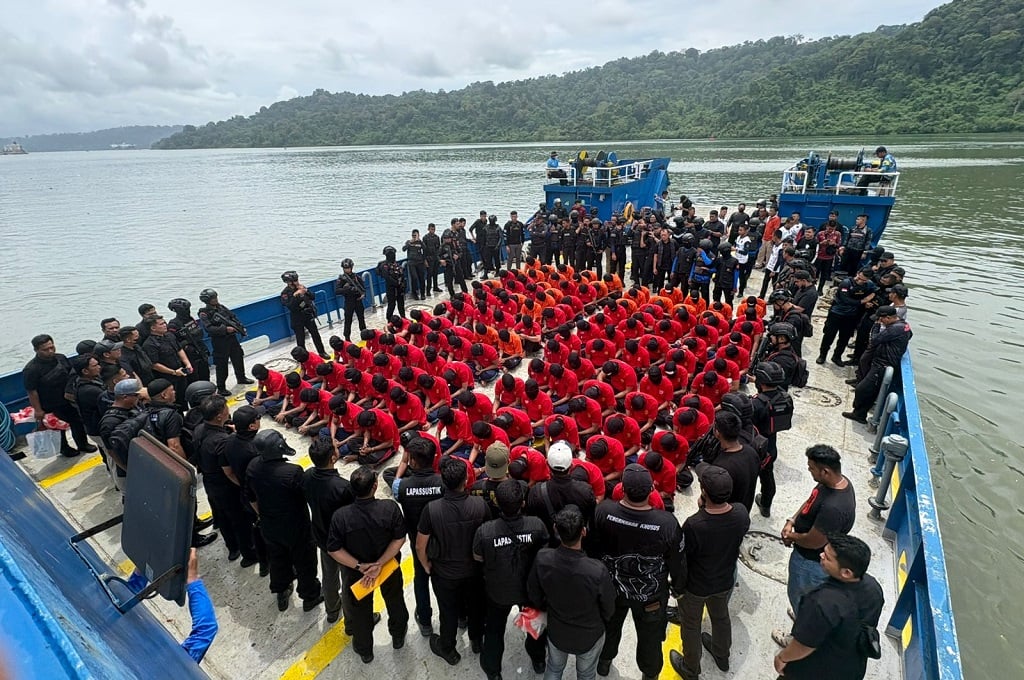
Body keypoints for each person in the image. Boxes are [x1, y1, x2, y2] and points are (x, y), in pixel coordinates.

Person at [594, 464, 685, 680]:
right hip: (650, 596)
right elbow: (678, 562)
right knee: (651, 638)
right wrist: (679, 588)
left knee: (610, 627)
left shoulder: (604, 511)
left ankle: (604, 662)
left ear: (622, 489)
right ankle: (650, 674)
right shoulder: (666, 524)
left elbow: (593, 548)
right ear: (652, 490)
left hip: (611, 589)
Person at [669, 465, 750, 680]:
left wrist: (677, 588)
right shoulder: (741, 513)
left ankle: (690, 668)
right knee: (721, 616)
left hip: (696, 586)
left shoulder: (695, 525)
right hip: (724, 580)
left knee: (691, 625)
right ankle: (722, 654)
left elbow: (684, 559)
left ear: (703, 492)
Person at [327, 465, 410, 663]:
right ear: (375, 486)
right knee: (395, 600)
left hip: (358, 575)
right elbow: (399, 539)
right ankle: (398, 636)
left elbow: (333, 549)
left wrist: (360, 566)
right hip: (388, 567)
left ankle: (365, 650)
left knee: (361, 611)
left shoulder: (341, 517)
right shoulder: (389, 508)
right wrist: (379, 564)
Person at [773, 535, 884, 680]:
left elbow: (805, 645)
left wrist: (783, 657)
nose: (821, 555)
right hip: (851, 664)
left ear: (846, 572)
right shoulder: (873, 587)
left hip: (815, 670)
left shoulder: (821, 602)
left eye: (827, 557)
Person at [527, 505, 617, 680]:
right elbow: (609, 607)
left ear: (555, 530)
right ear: (584, 531)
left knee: (553, 668)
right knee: (586, 673)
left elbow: (534, 594)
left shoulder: (543, 558)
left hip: (557, 631)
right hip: (588, 636)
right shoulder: (597, 570)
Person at [416, 456, 490, 666]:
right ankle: (477, 640)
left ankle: (448, 648)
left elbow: (421, 544)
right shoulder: (479, 505)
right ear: (466, 479)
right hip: (474, 571)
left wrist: (425, 564)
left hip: (444, 573)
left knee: (447, 611)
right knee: (476, 606)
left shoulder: (431, 509)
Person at [473, 480, 550, 679]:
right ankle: (538, 660)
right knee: (535, 626)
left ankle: (493, 671)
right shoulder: (537, 525)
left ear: (496, 502)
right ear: (522, 503)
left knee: (494, 630)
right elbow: (545, 553)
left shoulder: (485, 531)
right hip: (529, 590)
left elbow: (478, 557)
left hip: (498, 590)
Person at [778, 444, 856, 639]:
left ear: (825, 471)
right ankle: (800, 614)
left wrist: (790, 536)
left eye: (811, 467)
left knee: (802, 595)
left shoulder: (834, 508)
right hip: (807, 553)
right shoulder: (833, 483)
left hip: (810, 561)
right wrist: (792, 520)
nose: (808, 469)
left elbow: (814, 541)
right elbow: (810, 501)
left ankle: (799, 634)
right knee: (802, 598)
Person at [245, 429, 324, 613]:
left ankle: (281, 590)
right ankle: (310, 595)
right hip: (296, 526)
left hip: (269, 523)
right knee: (305, 561)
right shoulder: (292, 472)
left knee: (278, 558)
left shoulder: (253, 467)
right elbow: (305, 496)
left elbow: (251, 497)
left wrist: (262, 516)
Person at [194, 394, 260, 564]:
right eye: (225, 408)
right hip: (226, 485)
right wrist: (244, 487)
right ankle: (249, 554)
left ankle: (232, 547)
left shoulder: (199, 429)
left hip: (209, 482)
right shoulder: (222, 441)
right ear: (219, 415)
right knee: (240, 520)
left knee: (222, 516)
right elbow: (229, 471)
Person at [392, 436, 445, 637]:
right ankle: (459, 617)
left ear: (412, 461)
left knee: (421, 579)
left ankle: (425, 621)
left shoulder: (401, 487)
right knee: (445, 580)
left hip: (417, 541)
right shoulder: (443, 484)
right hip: (442, 540)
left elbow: (398, 495)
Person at [301, 436, 354, 624]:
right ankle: (352, 617)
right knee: (349, 581)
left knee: (329, 576)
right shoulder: (342, 487)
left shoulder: (306, 476)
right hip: (343, 542)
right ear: (333, 457)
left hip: (322, 535)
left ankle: (332, 610)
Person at [842, 305, 913, 424]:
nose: (880, 321)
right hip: (883, 362)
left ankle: (859, 413)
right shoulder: (904, 325)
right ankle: (860, 413)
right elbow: (910, 335)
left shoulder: (893, 329)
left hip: (883, 365)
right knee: (871, 391)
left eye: (881, 319)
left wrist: (876, 326)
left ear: (889, 318)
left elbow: (874, 340)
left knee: (862, 389)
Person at [750, 361, 794, 518]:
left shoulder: (757, 403)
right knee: (767, 477)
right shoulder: (785, 398)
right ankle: (766, 505)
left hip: (755, 446)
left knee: (748, 481)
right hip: (771, 446)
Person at [815, 269, 876, 367]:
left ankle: (837, 356)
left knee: (844, 338)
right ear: (857, 273)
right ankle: (822, 355)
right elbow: (845, 299)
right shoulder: (846, 283)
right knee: (829, 335)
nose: (860, 281)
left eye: (863, 280)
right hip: (837, 313)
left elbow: (874, 291)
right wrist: (863, 301)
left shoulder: (869, 285)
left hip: (851, 316)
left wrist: (871, 298)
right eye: (859, 278)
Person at [197, 288, 253, 396]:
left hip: (232, 338)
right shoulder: (204, 313)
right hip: (219, 341)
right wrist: (224, 329)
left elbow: (233, 317)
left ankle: (241, 377)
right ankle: (221, 387)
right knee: (221, 364)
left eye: (216, 297)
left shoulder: (221, 307)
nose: (216, 299)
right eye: (213, 298)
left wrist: (240, 327)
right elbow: (209, 328)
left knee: (238, 357)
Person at [143, 315, 193, 408]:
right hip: (167, 377)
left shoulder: (169, 335)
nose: (165, 325)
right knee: (172, 401)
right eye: (161, 324)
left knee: (183, 397)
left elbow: (179, 349)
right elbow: (155, 365)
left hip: (181, 372)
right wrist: (173, 372)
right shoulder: (149, 344)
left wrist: (187, 363)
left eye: (164, 322)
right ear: (153, 328)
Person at [280, 270, 328, 358]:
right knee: (300, 339)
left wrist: (306, 291)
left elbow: (313, 297)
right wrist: (295, 295)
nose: (297, 282)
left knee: (315, 334)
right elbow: (290, 306)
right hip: (297, 317)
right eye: (295, 281)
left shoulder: (301, 287)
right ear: (288, 282)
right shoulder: (285, 293)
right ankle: (303, 357)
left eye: (297, 280)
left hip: (308, 314)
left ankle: (322, 352)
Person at [167, 298, 211, 384]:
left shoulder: (190, 319)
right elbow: (173, 342)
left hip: (200, 351)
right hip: (189, 355)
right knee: (194, 378)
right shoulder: (173, 324)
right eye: (184, 309)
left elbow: (199, 333)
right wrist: (186, 344)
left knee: (205, 374)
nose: (187, 311)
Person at [334, 258, 368, 342]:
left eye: (348, 268)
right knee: (348, 320)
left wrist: (363, 294)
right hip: (349, 302)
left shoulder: (356, 277)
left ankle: (364, 335)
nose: (347, 270)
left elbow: (363, 288)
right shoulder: (341, 279)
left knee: (361, 318)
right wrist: (348, 289)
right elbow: (337, 291)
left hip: (358, 300)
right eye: (345, 268)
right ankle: (347, 337)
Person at [377, 246, 407, 319]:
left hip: (400, 287)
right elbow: (387, 277)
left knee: (401, 304)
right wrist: (396, 283)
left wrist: (402, 284)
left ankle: (403, 317)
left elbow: (401, 274)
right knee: (392, 305)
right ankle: (389, 320)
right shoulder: (384, 265)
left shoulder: (396, 264)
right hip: (391, 288)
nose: (392, 256)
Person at [404, 229, 428, 300]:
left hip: (420, 262)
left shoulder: (420, 242)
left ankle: (423, 294)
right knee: (414, 278)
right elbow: (404, 249)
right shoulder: (409, 242)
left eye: (415, 235)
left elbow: (425, 249)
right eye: (413, 235)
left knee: (422, 278)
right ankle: (414, 294)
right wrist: (409, 243)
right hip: (412, 263)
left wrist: (419, 240)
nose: (414, 237)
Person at [423, 223, 444, 293]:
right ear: (428, 229)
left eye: (434, 229)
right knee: (429, 275)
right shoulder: (425, 238)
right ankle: (428, 290)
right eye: (431, 229)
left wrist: (439, 258)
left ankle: (435, 287)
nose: (433, 231)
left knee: (435, 273)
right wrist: (425, 260)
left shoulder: (436, 237)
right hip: (429, 258)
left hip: (435, 258)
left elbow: (438, 248)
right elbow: (424, 250)